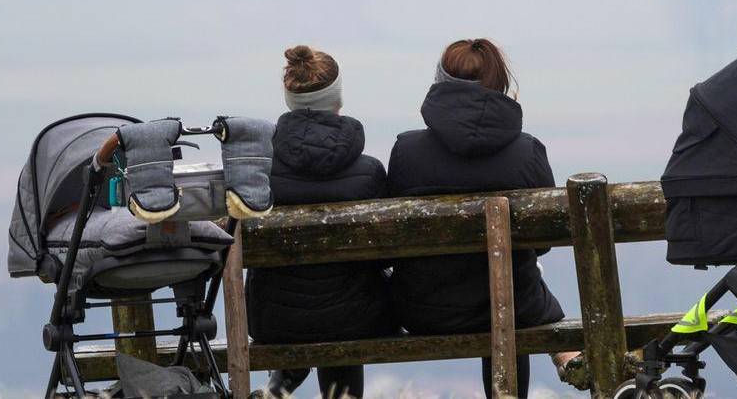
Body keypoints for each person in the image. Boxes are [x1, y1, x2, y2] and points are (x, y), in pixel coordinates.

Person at [385, 38, 584, 397]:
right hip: (513, 307)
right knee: (511, 288)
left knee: (509, 287)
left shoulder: (407, 151)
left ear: (439, 83)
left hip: (425, 309)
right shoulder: (528, 153)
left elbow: (392, 244)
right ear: (500, 84)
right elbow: (544, 243)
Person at [247, 45, 396, 399]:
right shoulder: (369, 172)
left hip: (275, 320)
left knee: (318, 299)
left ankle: (283, 380)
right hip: (358, 317)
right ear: (337, 98)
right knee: (344, 300)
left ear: (289, 99)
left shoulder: (260, 175)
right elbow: (387, 256)